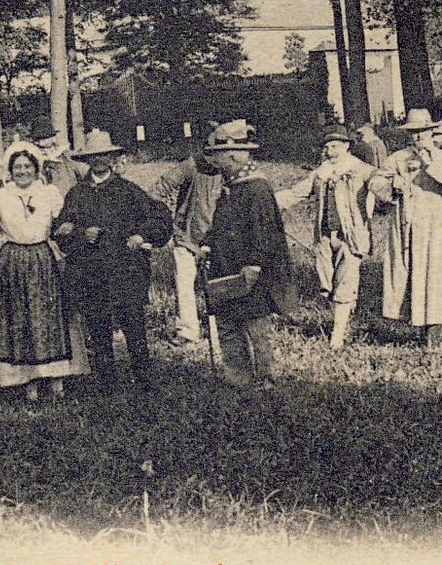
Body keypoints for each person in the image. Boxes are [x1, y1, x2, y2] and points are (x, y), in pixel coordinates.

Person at [53, 128, 171, 389]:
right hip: (90, 273)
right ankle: (107, 383)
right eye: (94, 156)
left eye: (104, 156)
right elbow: (60, 231)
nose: (99, 161)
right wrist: (83, 234)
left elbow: (160, 217)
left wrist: (141, 235)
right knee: (98, 328)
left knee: (134, 327)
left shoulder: (127, 191)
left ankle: (144, 382)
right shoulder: (76, 194)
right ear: (87, 161)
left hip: (125, 270)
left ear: (112, 158)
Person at [0, 142, 87, 401]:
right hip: (13, 261)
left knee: (48, 317)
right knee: (21, 318)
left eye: (27, 166)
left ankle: (56, 380)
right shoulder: (0, 196)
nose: (22, 171)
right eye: (17, 167)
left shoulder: (49, 193)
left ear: (36, 168)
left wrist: (65, 228)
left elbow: (66, 220)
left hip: (42, 259)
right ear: (10, 170)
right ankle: (27, 381)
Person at [200, 120, 295, 383]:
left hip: (251, 272)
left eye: (219, 156)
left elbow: (265, 233)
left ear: (233, 155)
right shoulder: (231, 185)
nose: (216, 162)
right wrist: (207, 243)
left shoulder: (257, 188)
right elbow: (219, 223)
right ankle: (238, 377)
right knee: (228, 324)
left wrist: (254, 265)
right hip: (225, 268)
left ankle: (265, 378)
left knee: (256, 326)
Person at [370, 108, 442, 346]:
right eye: (413, 133)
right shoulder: (397, 158)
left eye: (422, 132)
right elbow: (376, 181)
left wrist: (430, 166)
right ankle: (411, 321)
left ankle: (433, 329)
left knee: (432, 273)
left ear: (432, 132)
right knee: (405, 271)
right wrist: (392, 186)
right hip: (405, 223)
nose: (418, 138)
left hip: (434, 225)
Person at [274, 124, 375, 350]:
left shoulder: (361, 169)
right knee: (328, 284)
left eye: (335, 146)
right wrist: (269, 202)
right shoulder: (320, 173)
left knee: (345, 284)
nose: (330, 151)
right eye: (327, 146)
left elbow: (383, 187)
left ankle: (336, 337)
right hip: (324, 237)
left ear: (347, 146)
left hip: (351, 237)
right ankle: (344, 320)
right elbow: (295, 193)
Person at [152, 140, 224, 344]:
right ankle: (188, 330)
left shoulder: (230, 169)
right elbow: (158, 190)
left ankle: (220, 330)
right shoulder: (191, 166)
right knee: (184, 284)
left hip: (218, 236)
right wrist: (166, 220)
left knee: (219, 284)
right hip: (187, 237)